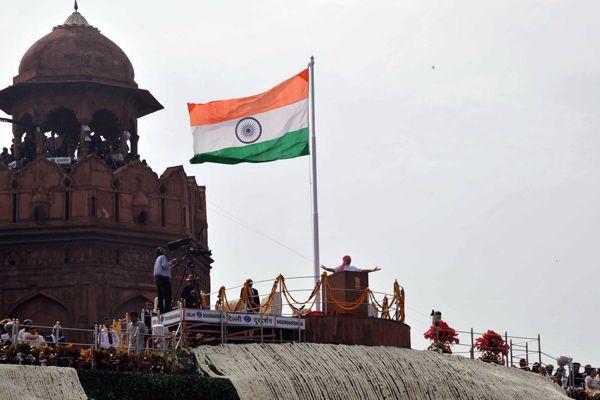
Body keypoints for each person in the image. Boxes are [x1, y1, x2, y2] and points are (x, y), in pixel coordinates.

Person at [153, 247, 178, 314]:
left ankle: (161, 311)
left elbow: (163, 269)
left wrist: (172, 266)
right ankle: (167, 311)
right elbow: (164, 266)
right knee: (167, 295)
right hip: (164, 279)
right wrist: (172, 261)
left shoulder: (157, 259)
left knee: (160, 296)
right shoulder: (163, 257)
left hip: (158, 279)